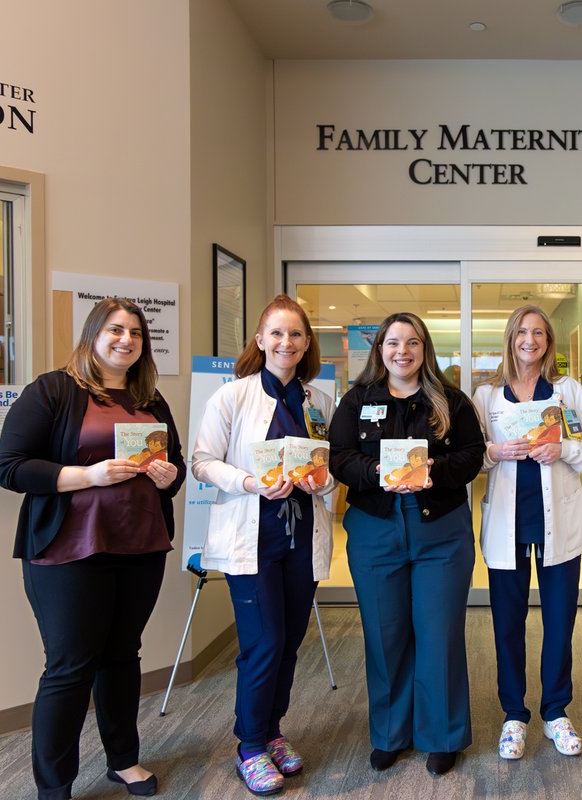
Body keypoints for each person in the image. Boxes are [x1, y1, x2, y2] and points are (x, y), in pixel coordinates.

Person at [0, 298, 184, 800]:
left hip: (140, 546)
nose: (127, 340)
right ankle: (54, 786)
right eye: (116, 330)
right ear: (93, 335)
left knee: (123, 656)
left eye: (137, 333)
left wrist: (168, 478)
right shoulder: (54, 390)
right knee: (70, 665)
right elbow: (10, 467)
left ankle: (123, 760)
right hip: (68, 551)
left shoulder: (151, 399)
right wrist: (86, 476)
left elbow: (175, 470)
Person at [327, 312, 484, 777]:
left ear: (424, 349)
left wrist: (433, 470)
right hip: (376, 528)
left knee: (438, 635)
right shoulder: (357, 401)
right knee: (385, 633)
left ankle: (441, 734)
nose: (402, 351)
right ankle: (391, 733)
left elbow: (471, 456)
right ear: (379, 349)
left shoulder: (450, 401)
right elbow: (339, 457)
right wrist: (375, 474)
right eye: (393, 343)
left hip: (441, 531)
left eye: (412, 343)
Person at [191, 295, 336, 796]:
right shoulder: (231, 397)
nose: (286, 342)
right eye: (276, 333)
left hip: (301, 540)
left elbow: (329, 467)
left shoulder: (318, 401)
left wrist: (322, 480)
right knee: (263, 643)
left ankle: (273, 731)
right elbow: (203, 461)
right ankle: (249, 746)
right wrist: (251, 483)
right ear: (259, 340)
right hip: (252, 539)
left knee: (290, 644)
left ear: (306, 343)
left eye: (295, 334)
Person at [472, 304, 582, 760]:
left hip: (559, 522)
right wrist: (497, 450)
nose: (530, 340)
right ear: (510, 338)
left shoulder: (566, 390)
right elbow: (472, 456)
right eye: (522, 332)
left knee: (559, 621)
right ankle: (514, 715)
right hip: (508, 521)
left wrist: (562, 448)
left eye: (539, 333)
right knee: (507, 624)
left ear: (548, 341)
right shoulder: (486, 396)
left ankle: (555, 711)